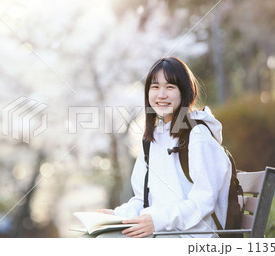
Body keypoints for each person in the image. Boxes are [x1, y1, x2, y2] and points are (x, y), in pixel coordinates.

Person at [94, 57, 232, 238]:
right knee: (97, 237)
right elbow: (143, 200)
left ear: (185, 91)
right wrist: (116, 215)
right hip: (165, 231)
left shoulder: (198, 136)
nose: (161, 95)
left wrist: (157, 221)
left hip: (195, 236)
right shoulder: (152, 140)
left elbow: (204, 201)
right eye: (155, 87)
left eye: (170, 87)